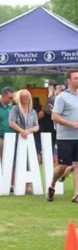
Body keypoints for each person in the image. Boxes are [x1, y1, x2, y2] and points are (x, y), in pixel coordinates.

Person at [48, 70, 78, 203]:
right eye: (76, 78)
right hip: (65, 137)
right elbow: (54, 116)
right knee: (64, 165)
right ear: (68, 81)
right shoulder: (62, 97)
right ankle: (52, 184)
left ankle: (77, 194)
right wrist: (70, 123)